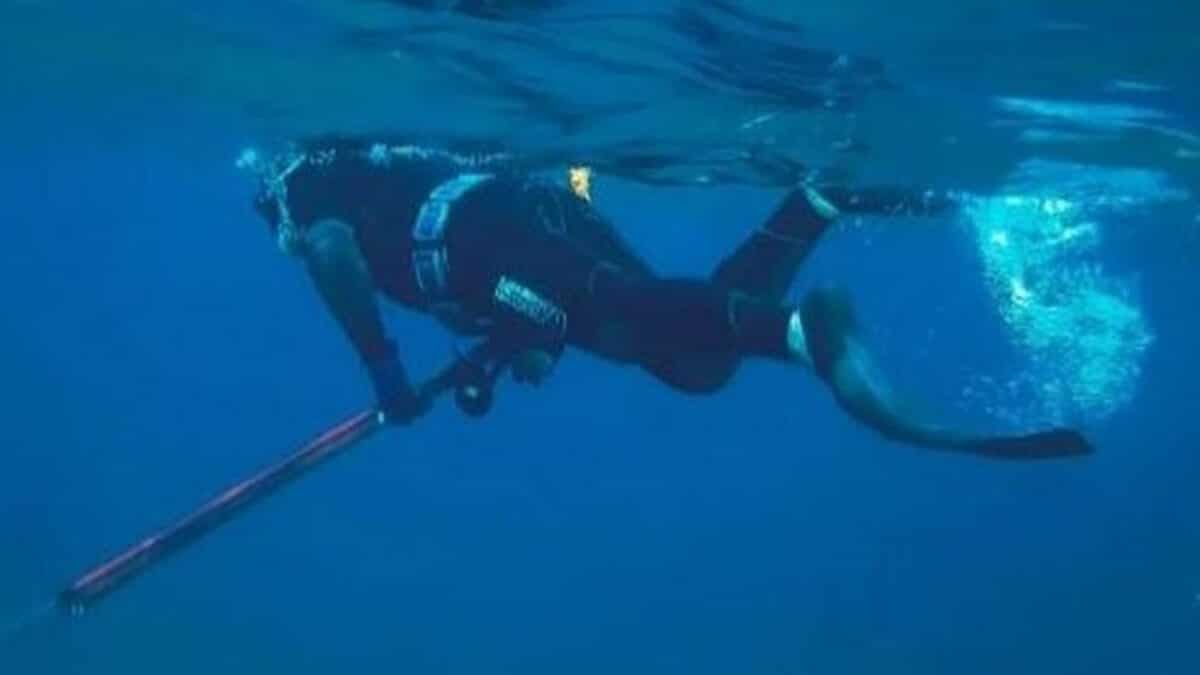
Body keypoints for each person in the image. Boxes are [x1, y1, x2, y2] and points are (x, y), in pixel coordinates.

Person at [241, 135, 1091, 460]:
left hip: (488, 242)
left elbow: (332, 250)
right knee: (687, 357)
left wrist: (384, 368)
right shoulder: (376, 158)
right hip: (535, 213)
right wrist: (520, 336)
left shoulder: (296, 186)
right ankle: (812, 207)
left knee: (635, 329)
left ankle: (802, 333)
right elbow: (501, 281)